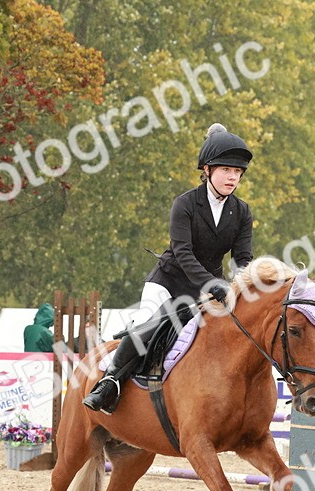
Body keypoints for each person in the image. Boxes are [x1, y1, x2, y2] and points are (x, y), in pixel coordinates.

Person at [83, 122, 254, 414]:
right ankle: (109, 383)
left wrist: (241, 285)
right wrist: (212, 283)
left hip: (209, 291)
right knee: (149, 324)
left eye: (237, 172)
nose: (232, 177)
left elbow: (243, 260)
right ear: (208, 170)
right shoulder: (184, 204)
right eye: (226, 170)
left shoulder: (241, 211)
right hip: (168, 282)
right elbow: (183, 253)